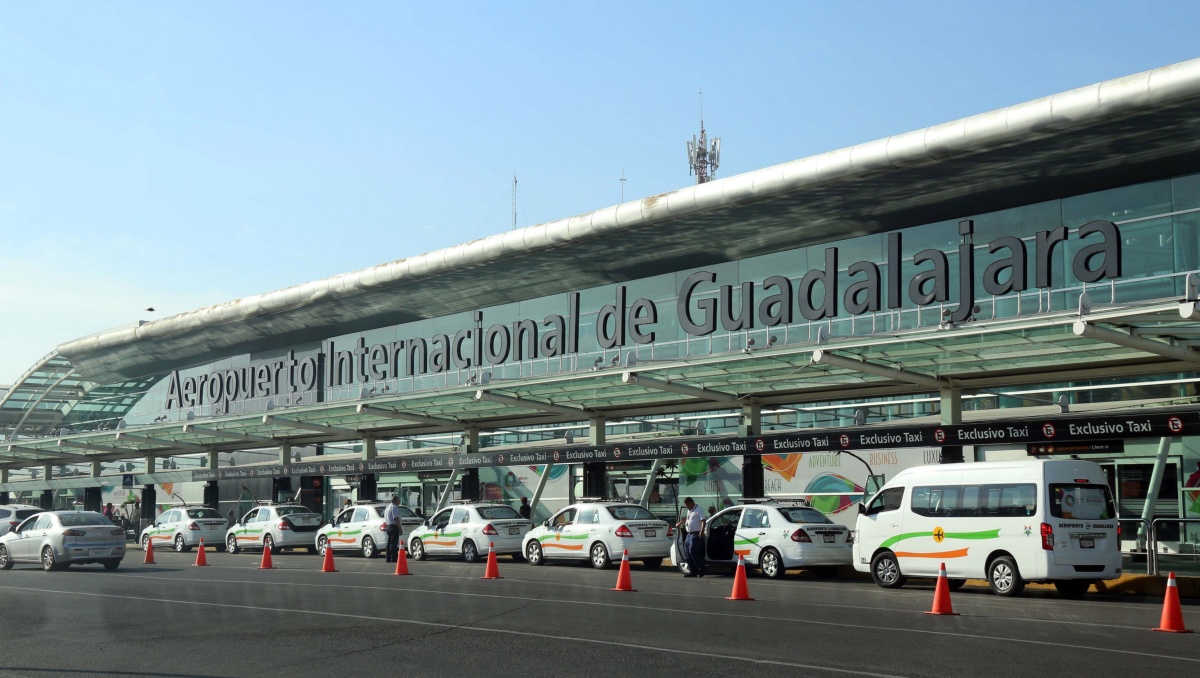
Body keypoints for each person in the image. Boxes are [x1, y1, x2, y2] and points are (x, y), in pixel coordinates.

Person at [676, 497, 706, 578]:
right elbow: (688, 519)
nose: (687, 507)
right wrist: (680, 523)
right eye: (686, 505)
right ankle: (692, 571)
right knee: (687, 553)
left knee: (693, 551)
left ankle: (701, 569)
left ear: (692, 503)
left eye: (688, 505)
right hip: (689, 534)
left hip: (695, 534)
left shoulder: (698, 510)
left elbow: (703, 520)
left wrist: (701, 531)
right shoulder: (690, 510)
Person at [383, 495, 403, 563]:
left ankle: (388, 558)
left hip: (388, 525)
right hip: (393, 526)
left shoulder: (388, 507)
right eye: (398, 500)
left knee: (389, 542)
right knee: (393, 543)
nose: (399, 501)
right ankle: (393, 558)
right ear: (395, 500)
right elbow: (396, 518)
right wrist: (400, 528)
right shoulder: (394, 507)